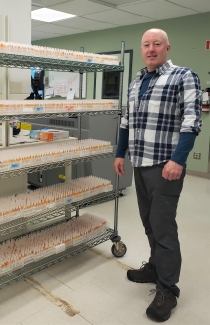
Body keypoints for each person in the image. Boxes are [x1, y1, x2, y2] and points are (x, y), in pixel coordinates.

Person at [114, 28, 202, 322]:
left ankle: (168, 289)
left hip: (165, 167)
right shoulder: (136, 81)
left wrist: (178, 159)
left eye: (156, 44)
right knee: (149, 223)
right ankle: (154, 267)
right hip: (140, 164)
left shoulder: (183, 76)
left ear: (167, 47)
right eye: (146, 45)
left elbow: (192, 122)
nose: (150, 49)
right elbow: (126, 122)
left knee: (163, 228)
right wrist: (119, 153)